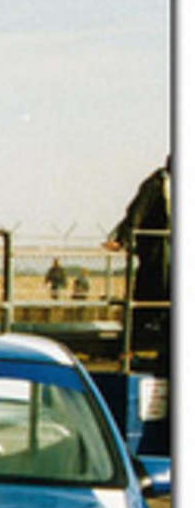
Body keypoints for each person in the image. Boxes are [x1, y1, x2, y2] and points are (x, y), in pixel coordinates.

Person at [107, 156, 171, 374]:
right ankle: (129, 351)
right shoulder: (157, 184)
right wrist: (122, 238)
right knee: (147, 301)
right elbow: (136, 213)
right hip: (158, 254)